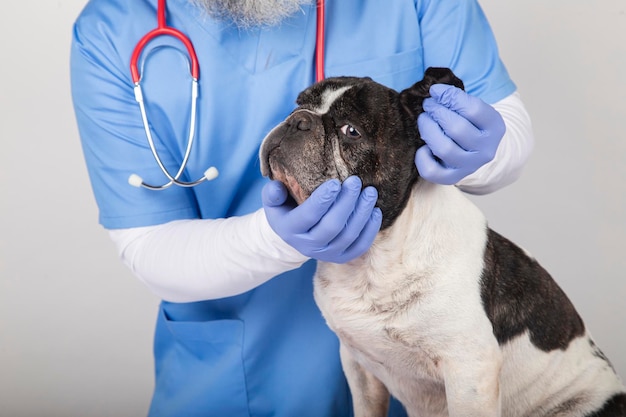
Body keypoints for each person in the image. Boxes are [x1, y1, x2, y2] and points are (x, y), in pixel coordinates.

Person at [70, 0, 534, 416]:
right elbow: (148, 242)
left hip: (419, 381)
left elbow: (504, 127)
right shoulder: (110, 29)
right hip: (234, 384)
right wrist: (271, 240)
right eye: (301, 115)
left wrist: (480, 153)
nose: (300, 125)